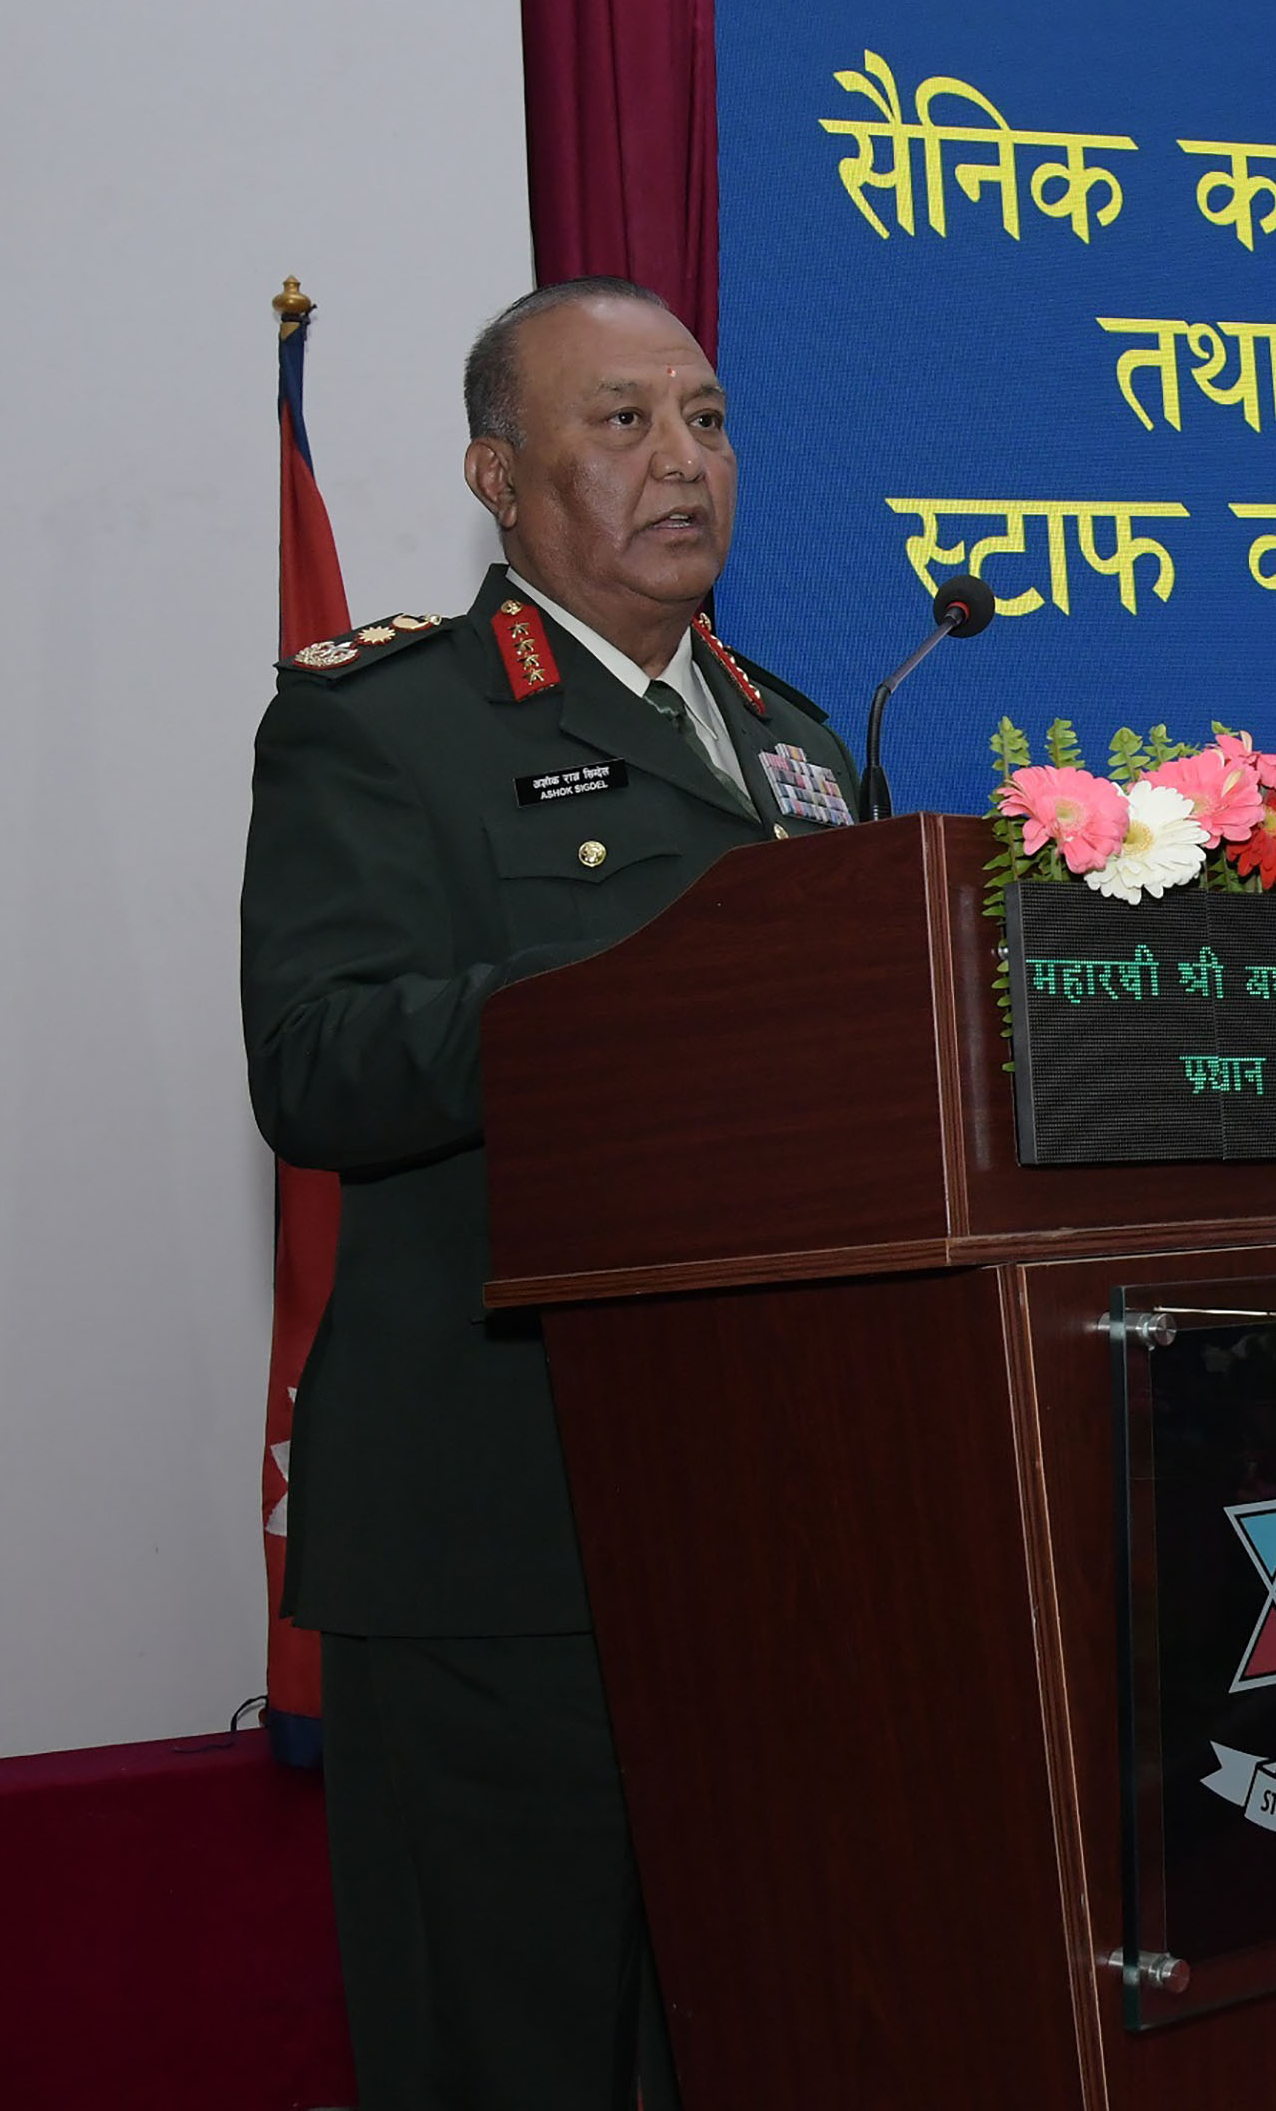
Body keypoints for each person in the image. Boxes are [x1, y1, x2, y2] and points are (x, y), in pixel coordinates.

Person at [242, 279, 866, 2107]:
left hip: (764, 1528)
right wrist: (632, 997)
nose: (683, 459)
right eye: (623, 420)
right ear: (497, 478)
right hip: (499, 1531)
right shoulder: (389, 722)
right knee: (508, 2055)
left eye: (709, 420)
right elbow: (317, 1062)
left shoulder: (798, 740)